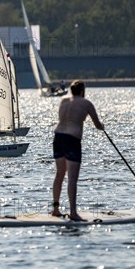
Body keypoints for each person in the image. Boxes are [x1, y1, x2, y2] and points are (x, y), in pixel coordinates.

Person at [51, 80, 104, 221]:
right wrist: (102, 126)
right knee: (72, 179)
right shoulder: (86, 103)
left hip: (58, 137)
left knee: (59, 175)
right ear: (82, 91)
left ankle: (55, 209)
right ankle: (73, 213)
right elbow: (97, 124)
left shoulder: (63, 100)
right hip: (72, 140)